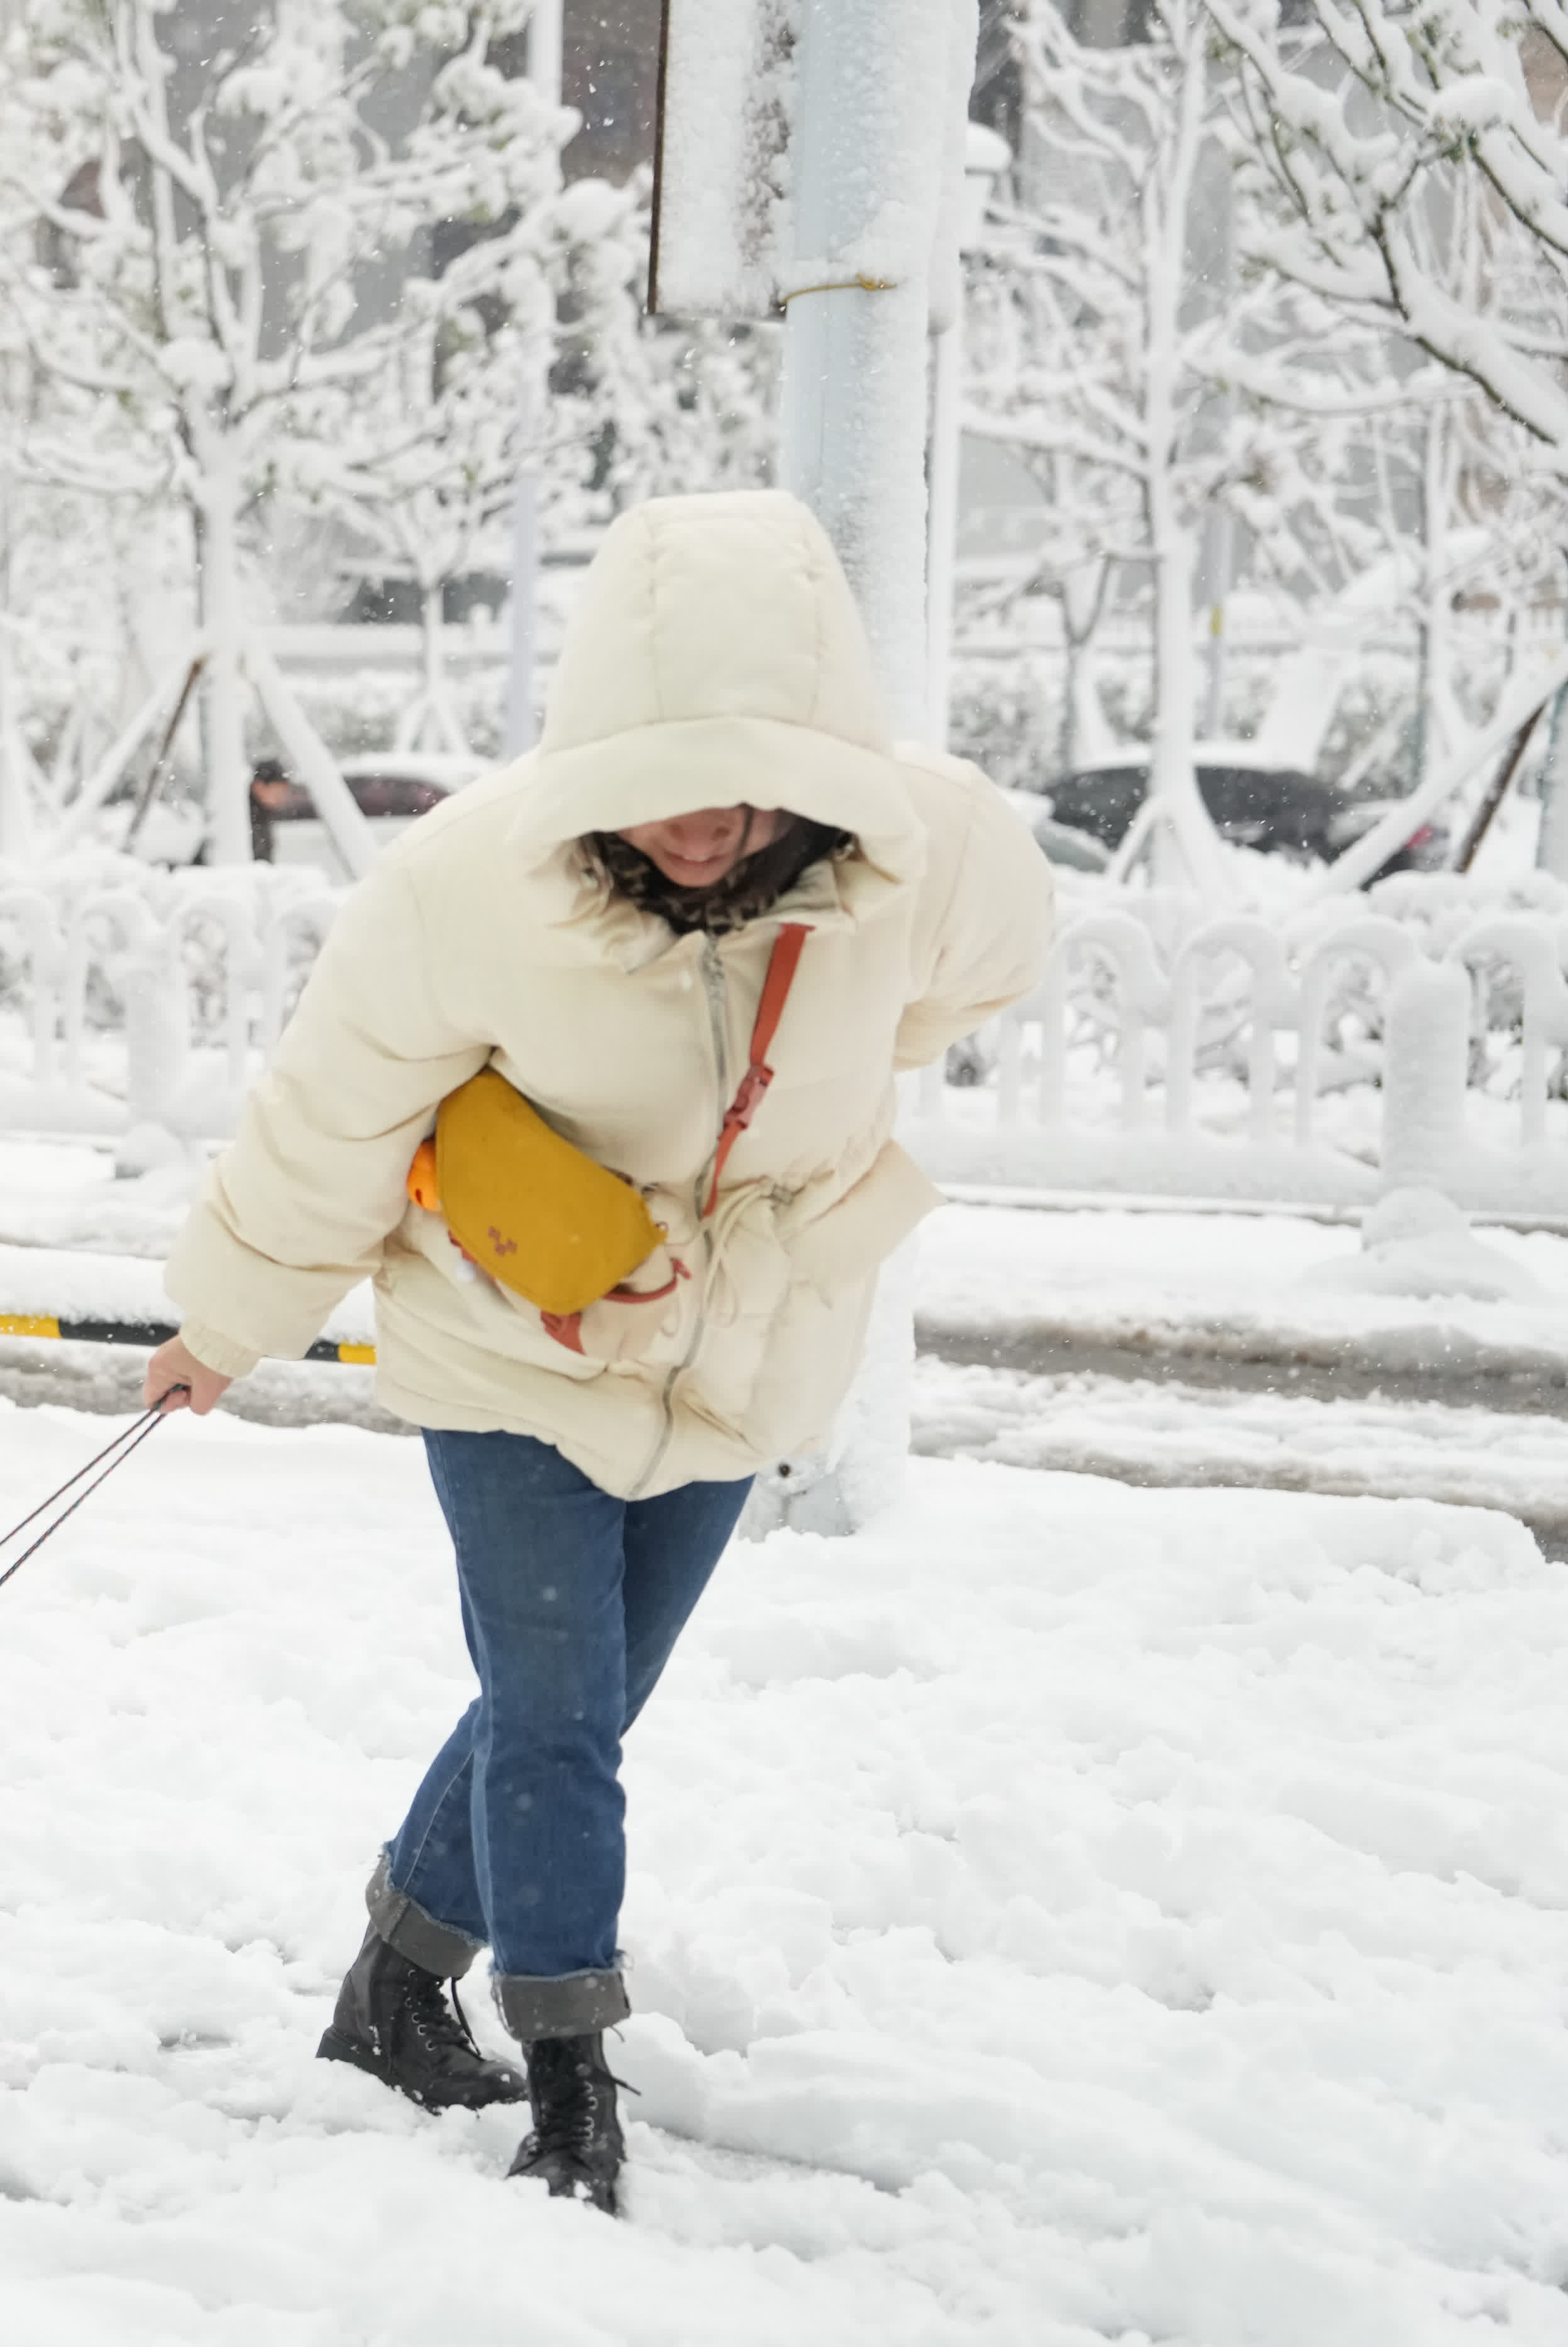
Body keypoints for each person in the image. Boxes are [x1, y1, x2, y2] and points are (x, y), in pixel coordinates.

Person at [143, 492, 1053, 2214]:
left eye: (741, 778)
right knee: (562, 1717)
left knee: (577, 1695)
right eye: (660, 776)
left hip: (737, 1354)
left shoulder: (925, 856)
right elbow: (332, 1119)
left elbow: (969, 981)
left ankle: (392, 1983)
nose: (700, 822)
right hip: (510, 1351)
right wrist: (225, 1321)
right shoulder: (464, 890)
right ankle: (568, 2076)